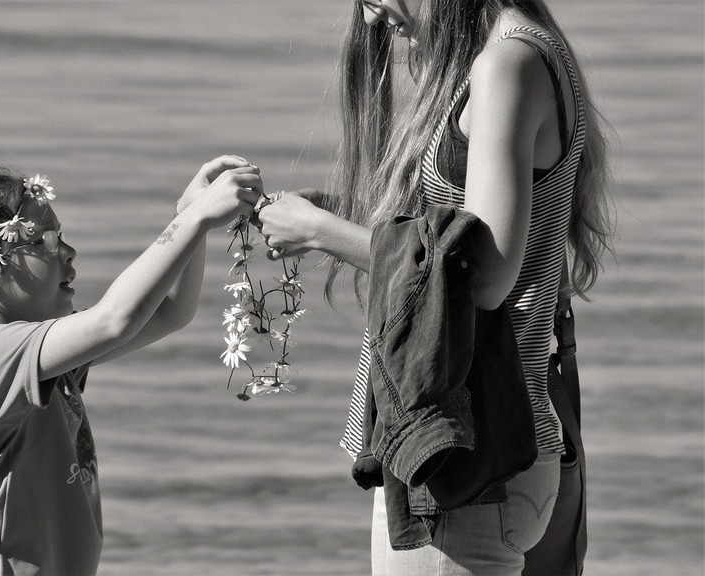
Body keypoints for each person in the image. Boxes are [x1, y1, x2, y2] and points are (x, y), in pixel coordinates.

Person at [257, 0, 614, 573]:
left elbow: (486, 277)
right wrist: (329, 216)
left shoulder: (505, 65)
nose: (372, 18)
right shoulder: (527, 46)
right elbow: (458, 232)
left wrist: (320, 232)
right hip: (489, 443)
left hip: (461, 454)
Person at [0, 158, 262, 575]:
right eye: (45, 241)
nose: (69, 253)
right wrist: (197, 219)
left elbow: (168, 313)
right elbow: (115, 319)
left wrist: (187, 216)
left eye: (63, 237)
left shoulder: (36, 354)